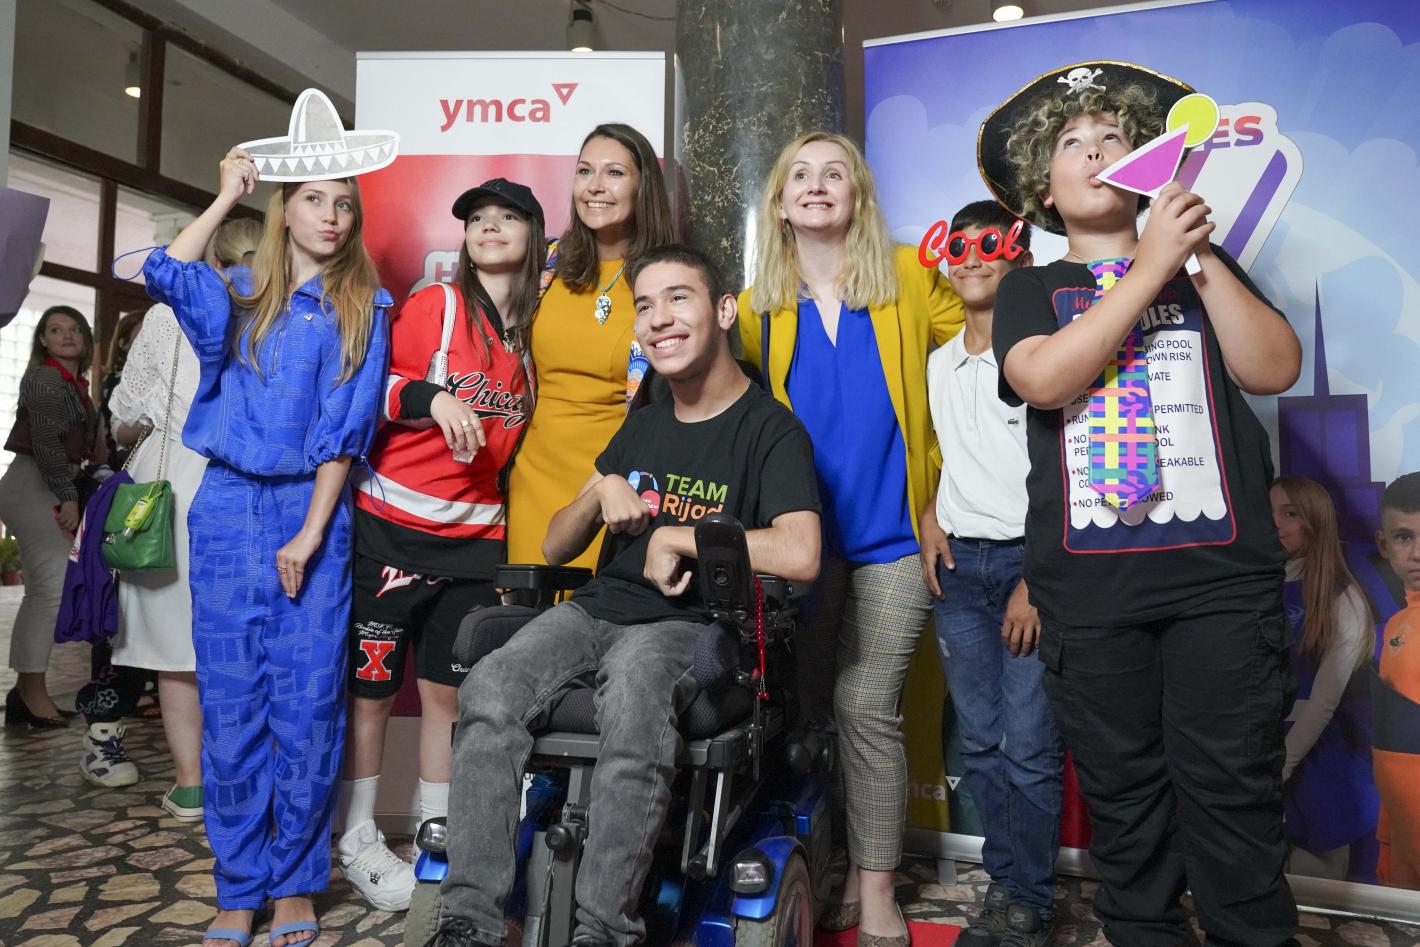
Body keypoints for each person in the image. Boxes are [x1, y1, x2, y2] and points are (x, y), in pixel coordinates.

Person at [983, 61, 1302, 945]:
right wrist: (1145, 265)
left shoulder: (1203, 268)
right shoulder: (1029, 289)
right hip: (1092, 595)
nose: (1093, 151)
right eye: (1070, 144)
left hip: (1221, 585)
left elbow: (1274, 368)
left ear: (1146, 166)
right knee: (1127, 807)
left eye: (1112, 137)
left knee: (1234, 796)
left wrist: (1188, 255)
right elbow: (1044, 379)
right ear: (1044, 192)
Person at [429, 244, 822, 947]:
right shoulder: (643, 422)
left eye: (678, 298)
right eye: (644, 305)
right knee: (491, 684)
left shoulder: (771, 430)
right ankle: (471, 923)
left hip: (689, 623)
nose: (658, 318)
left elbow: (802, 552)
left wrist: (678, 536)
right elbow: (555, 545)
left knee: (637, 691)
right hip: (595, 610)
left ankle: (605, 931)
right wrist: (600, 490)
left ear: (722, 311)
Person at [143, 144, 390, 947]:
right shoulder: (241, 292)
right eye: (315, 199)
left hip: (308, 511)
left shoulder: (364, 306)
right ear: (286, 207)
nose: (332, 216)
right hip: (223, 509)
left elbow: (345, 427)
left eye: (344, 203)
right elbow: (164, 270)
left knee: (308, 707)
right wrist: (224, 196)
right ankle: (238, 885)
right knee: (231, 707)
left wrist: (310, 531)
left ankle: (293, 885)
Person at [738, 130, 963, 945]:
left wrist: (943, 498)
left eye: (835, 173)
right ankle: (823, 859)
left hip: (897, 534)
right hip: (802, 545)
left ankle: (876, 888)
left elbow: (983, 351)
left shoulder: (908, 276)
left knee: (865, 704)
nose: (817, 184)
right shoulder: (756, 308)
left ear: (858, 194)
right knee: (804, 713)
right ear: (779, 201)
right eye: (800, 174)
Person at [338, 179, 544, 911]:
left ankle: (435, 834)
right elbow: (379, 388)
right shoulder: (439, 303)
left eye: (507, 217)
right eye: (477, 218)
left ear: (534, 232)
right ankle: (357, 837)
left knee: (448, 695)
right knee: (370, 692)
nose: (489, 226)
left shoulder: (535, 334)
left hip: (476, 541)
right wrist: (436, 397)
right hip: (393, 528)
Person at [919, 200, 1062, 946]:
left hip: (1024, 567)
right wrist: (930, 515)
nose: (972, 255)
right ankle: (1004, 888)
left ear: (1021, 260)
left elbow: (1064, 474)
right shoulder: (938, 363)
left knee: (1029, 745)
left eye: (991, 243)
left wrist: (1036, 579)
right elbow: (947, 457)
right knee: (979, 741)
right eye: (959, 245)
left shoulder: (1043, 359)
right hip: (959, 572)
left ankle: (1030, 899)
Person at [90, 218, 263, 817]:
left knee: (175, 648)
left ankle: (191, 784)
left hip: (169, 491)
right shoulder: (278, 316)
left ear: (210, 262)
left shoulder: (166, 317)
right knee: (242, 643)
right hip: (247, 485)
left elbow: (124, 419)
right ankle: (240, 779)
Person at [505, 123, 675, 569]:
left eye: (614, 173)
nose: (595, 186)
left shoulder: (667, 279)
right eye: (584, 171)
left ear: (643, 187)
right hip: (534, 480)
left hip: (615, 487)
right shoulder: (546, 264)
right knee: (526, 610)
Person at [1269, 476, 1378, 880]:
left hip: (1320, 769)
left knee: (1314, 898)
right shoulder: (1252, 590)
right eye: (1269, 512)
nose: (1276, 524)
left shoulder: (1342, 597)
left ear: (1315, 520)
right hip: (1259, 761)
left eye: (1290, 514)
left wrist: (1280, 768)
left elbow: (1323, 702)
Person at [1, 305, 101, 727]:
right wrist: (67, 496)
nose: (66, 335)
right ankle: (31, 691)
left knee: (46, 590)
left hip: (44, 484)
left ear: (86, 339)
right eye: (55, 329)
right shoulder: (46, 377)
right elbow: (45, 442)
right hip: (35, 484)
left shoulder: (75, 384)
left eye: (74, 329)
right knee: (50, 590)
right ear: (42, 340)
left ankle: (26, 692)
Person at [1372, 472, 1420, 888]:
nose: (1418, 553)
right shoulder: (1396, 626)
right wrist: (1389, 844)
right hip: (1405, 849)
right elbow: (1393, 752)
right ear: (1384, 544)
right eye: (1405, 537)